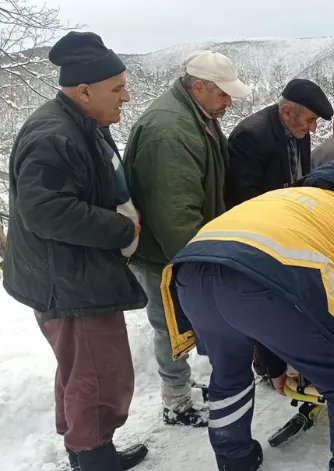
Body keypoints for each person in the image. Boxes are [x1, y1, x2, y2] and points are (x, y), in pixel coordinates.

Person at [160, 161, 334, 471]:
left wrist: (275, 366)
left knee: (228, 377)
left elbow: (259, 278)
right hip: (271, 279)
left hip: (191, 272)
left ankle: (234, 459)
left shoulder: (279, 199)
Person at [2, 31, 149, 470]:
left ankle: (86, 448)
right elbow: (46, 211)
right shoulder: (54, 135)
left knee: (81, 370)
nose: (127, 97)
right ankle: (93, 458)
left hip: (72, 274)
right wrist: (121, 229)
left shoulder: (80, 122)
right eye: (117, 89)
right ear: (84, 90)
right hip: (68, 283)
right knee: (98, 374)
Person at [123, 50, 251, 427]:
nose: (228, 102)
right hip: (164, 251)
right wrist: (198, 265)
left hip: (181, 244)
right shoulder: (171, 131)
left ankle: (180, 384)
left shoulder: (199, 116)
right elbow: (174, 213)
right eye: (223, 94)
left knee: (179, 321)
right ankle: (176, 400)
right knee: (168, 323)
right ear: (199, 87)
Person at [225, 78, 333, 209]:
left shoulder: (299, 129)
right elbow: (243, 198)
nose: (313, 128)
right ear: (287, 112)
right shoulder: (249, 137)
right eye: (310, 120)